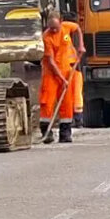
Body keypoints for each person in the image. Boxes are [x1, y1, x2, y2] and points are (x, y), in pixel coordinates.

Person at [39, 10, 85, 143]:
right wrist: (62, 79)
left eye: (55, 27)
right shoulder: (46, 37)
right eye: (51, 27)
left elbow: (77, 29)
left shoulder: (67, 26)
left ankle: (65, 133)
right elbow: (51, 62)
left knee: (67, 103)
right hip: (51, 74)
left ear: (61, 21)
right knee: (47, 103)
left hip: (66, 71)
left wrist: (81, 45)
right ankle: (46, 133)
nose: (53, 30)